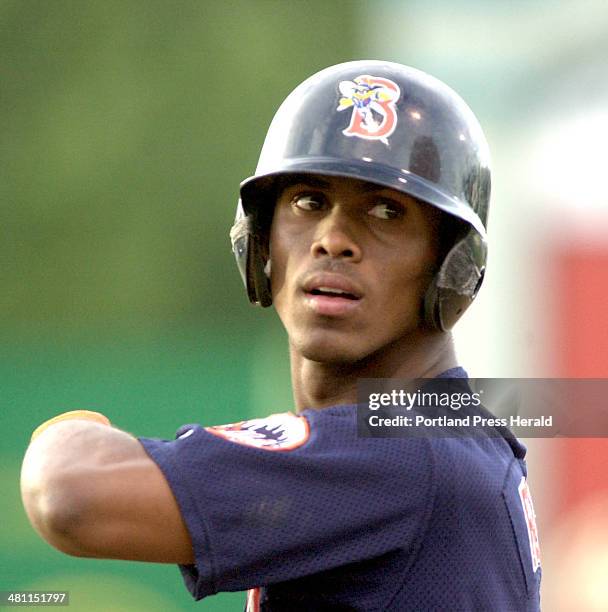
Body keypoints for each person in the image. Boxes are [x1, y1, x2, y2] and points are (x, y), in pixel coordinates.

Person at [21, 61, 541, 610]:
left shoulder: (406, 450)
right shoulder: (448, 436)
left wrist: (70, 430)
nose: (334, 239)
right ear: (261, 242)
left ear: (451, 268)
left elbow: (70, 495)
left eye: (387, 211)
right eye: (309, 202)